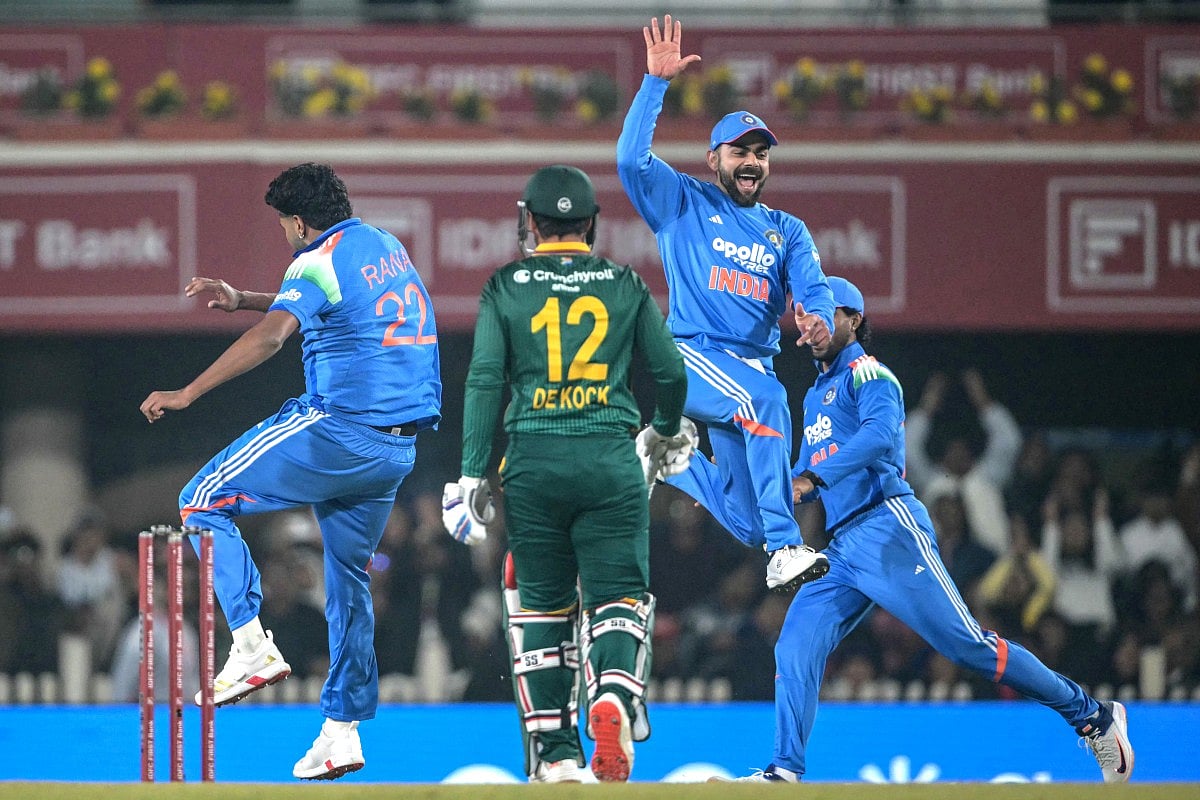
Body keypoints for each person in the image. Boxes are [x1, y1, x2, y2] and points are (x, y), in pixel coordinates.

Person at [719, 276, 1133, 783]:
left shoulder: (870, 375)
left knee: (968, 646)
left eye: (829, 313)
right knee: (795, 643)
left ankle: (1092, 716)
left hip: (888, 526)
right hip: (844, 547)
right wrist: (750, 475)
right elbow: (804, 481)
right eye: (806, 314)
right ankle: (784, 771)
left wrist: (812, 477)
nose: (814, 322)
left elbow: (874, 438)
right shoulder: (816, 396)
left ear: (855, 321)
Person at [139, 162, 441, 781]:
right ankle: (342, 731)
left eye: (283, 223)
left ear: (299, 221)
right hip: (395, 450)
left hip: (339, 427)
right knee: (348, 580)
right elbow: (324, 304)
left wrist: (188, 393)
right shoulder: (384, 245)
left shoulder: (313, 258)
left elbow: (275, 338)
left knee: (201, 500)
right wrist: (242, 299)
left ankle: (250, 644)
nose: (284, 234)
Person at [440, 165, 691, 783]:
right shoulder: (625, 283)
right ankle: (612, 692)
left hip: (532, 466)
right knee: (618, 599)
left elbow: (484, 381)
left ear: (529, 222)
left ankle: (556, 756)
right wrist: (662, 426)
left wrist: (472, 473)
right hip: (609, 459)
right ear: (591, 225)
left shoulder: (504, 285)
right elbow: (672, 374)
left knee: (542, 609)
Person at [616, 15, 835, 591]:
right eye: (739, 151)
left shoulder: (787, 230)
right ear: (713, 159)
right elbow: (629, 163)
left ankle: (675, 460)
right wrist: (655, 84)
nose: (752, 162)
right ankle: (788, 547)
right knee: (766, 400)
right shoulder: (683, 202)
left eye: (761, 153)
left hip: (745, 371)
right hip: (691, 355)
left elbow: (812, 287)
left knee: (745, 522)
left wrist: (816, 318)